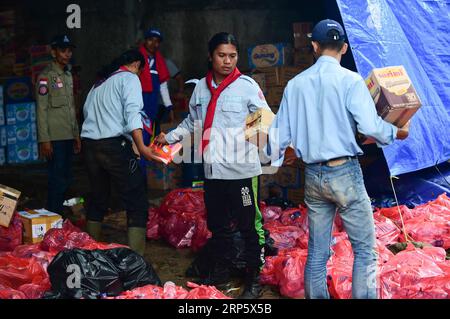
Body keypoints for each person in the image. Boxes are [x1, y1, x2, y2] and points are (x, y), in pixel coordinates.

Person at [267, 19, 410, 299]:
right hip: (344, 172)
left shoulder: (295, 85)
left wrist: (273, 159)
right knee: (365, 250)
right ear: (344, 47)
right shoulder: (351, 81)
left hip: (314, 175)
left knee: (318, 253)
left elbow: (278, 137)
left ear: (315, 46)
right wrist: (396, 132)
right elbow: (370, 128)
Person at [155, 32, 272, 299]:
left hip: (241, 172)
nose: (227, 61)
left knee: (249, 226)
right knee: (218, 225)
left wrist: (257, 139)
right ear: (211, 56)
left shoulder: (247, 86)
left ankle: (253, 279)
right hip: (213, 171)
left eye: (232, 56)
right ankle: (221, 271)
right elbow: (191, 123)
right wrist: (169, 136)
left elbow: (264, 119)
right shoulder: (200, 88)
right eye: (222, 55)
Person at [81, 49, 157, 256]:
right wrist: (141, 146)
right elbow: (133, 113)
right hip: (113, 146)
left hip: (90, 146)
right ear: (136, 65)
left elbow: (87, 114)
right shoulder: (129, 78)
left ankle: (90, 253)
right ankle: (137, 260)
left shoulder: (98, 85)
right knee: (137, 200)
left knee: (98, 198)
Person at [36, 34, 81, 216]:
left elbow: (71, 109)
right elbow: (41, 109)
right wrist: (44, 140)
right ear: (54, 52)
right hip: (54, 138)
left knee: (67, 178)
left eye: (69, 50)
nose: (67, 54)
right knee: (57, 179)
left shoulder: (68, 75)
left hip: (68, 136)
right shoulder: (46, 77)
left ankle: (61, 216)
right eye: (63, 50)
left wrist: (76, 135)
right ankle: (52, 217)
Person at [139, 28, 173, 142]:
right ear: (145, 40)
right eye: (150, 40)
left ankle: (146, 157)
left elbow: (163, 86)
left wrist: (169, 106)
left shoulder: (159, 61)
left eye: (157, 41)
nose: (154, 44)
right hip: (138, 100)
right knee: (138, 130)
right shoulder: (137, 58)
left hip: (152, 102)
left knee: (150, 132)